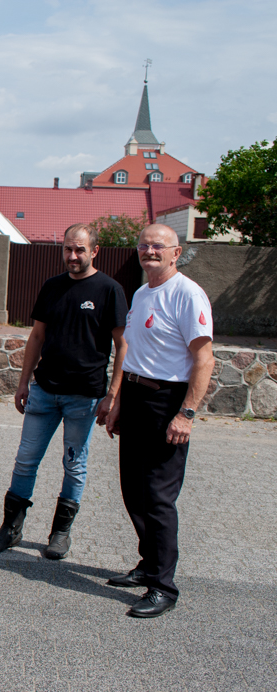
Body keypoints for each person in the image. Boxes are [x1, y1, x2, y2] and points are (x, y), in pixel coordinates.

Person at [0, 223, 127, 559]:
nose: (73, 256)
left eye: (80, 250)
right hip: (44, 391)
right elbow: (36, 337)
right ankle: (10, 529)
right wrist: (23, 382)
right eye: (67, 249)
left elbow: (123, 345)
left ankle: (60, 533)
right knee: (25, 461)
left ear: (94, 251)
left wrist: (113, 394)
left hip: (85, 396)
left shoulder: (109, 290)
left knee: (74, 465)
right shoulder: (52, 287)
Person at [103, 224, 214, 618]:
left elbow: (204, 359)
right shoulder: (141, 292)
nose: (149, 251)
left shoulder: (187, 294)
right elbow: (131, 351)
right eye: (144, 245)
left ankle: (163, 586)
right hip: (134, 397)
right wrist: (117, 400)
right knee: (133, 489)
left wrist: (186, 414)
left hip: (166, 400)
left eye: (158, 246)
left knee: (158, 496)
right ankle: (148, 564)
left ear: (175, 253)